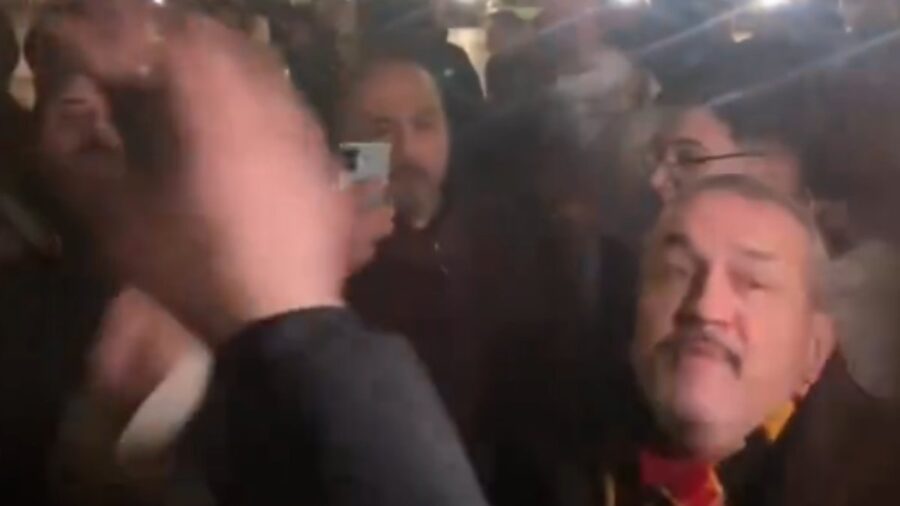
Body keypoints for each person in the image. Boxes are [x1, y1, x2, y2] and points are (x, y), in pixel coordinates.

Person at [31, 2, 489, 505]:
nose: (405, 147)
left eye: (425, 122)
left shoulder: (500, 235)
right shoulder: (162, 340)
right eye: (379, 130)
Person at [486, 174, 900, 506]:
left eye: (752, 282)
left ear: (814, 348)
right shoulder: (537, 447)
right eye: (677, 271)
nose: (705, 308)